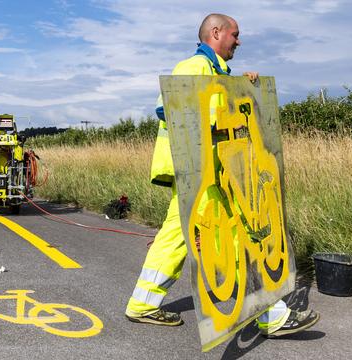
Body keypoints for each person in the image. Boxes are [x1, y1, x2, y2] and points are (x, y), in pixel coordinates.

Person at [125, 13, 319, 338]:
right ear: (216, 33)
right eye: (235, 34)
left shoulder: (216, 72)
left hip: (207, 172)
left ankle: (142, 302)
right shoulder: (193, 67)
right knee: (240, 236)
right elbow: (169, 106)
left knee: (177, 237)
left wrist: (247, 89)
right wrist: (230, 100)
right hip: (198, 172)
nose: (239, 41)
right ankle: (270, 315)